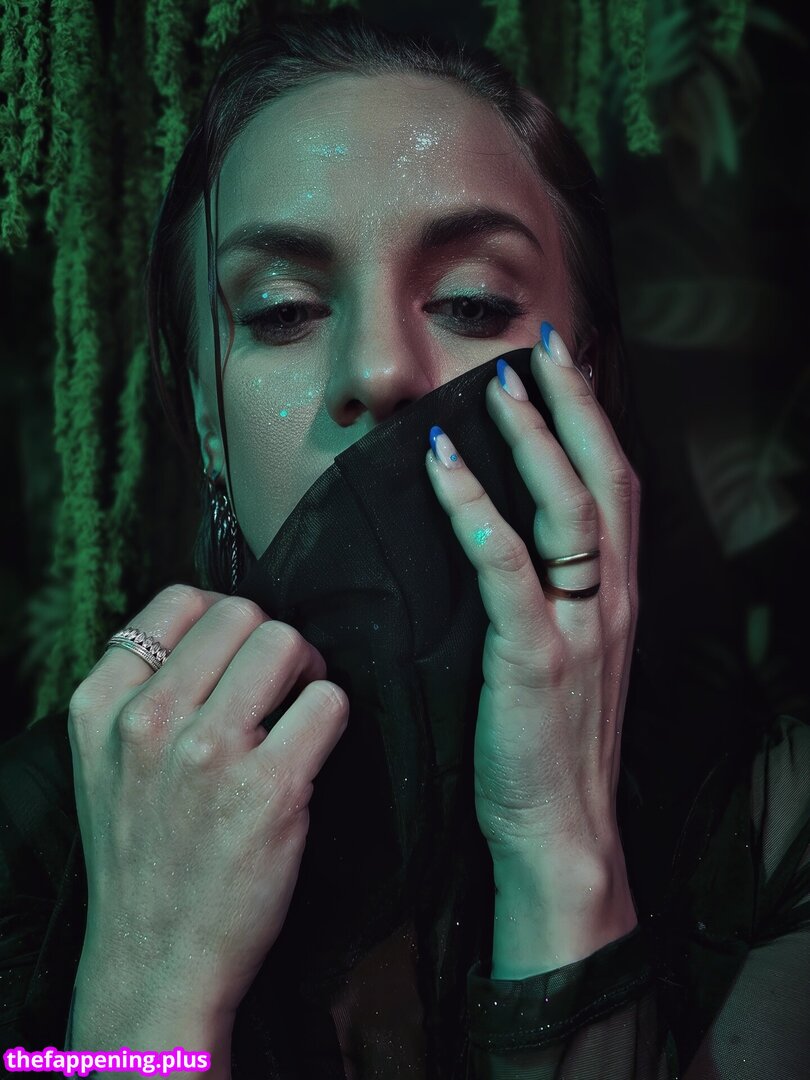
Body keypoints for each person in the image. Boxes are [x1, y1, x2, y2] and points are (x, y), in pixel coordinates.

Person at [2, 10, 809, 1080]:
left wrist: (561, 856)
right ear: (207, 419)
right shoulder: (27, 850)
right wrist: (150, 991)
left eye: (472, 302)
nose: (381, 370)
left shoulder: (777, 830)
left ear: (584, 379)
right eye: (282, 312)